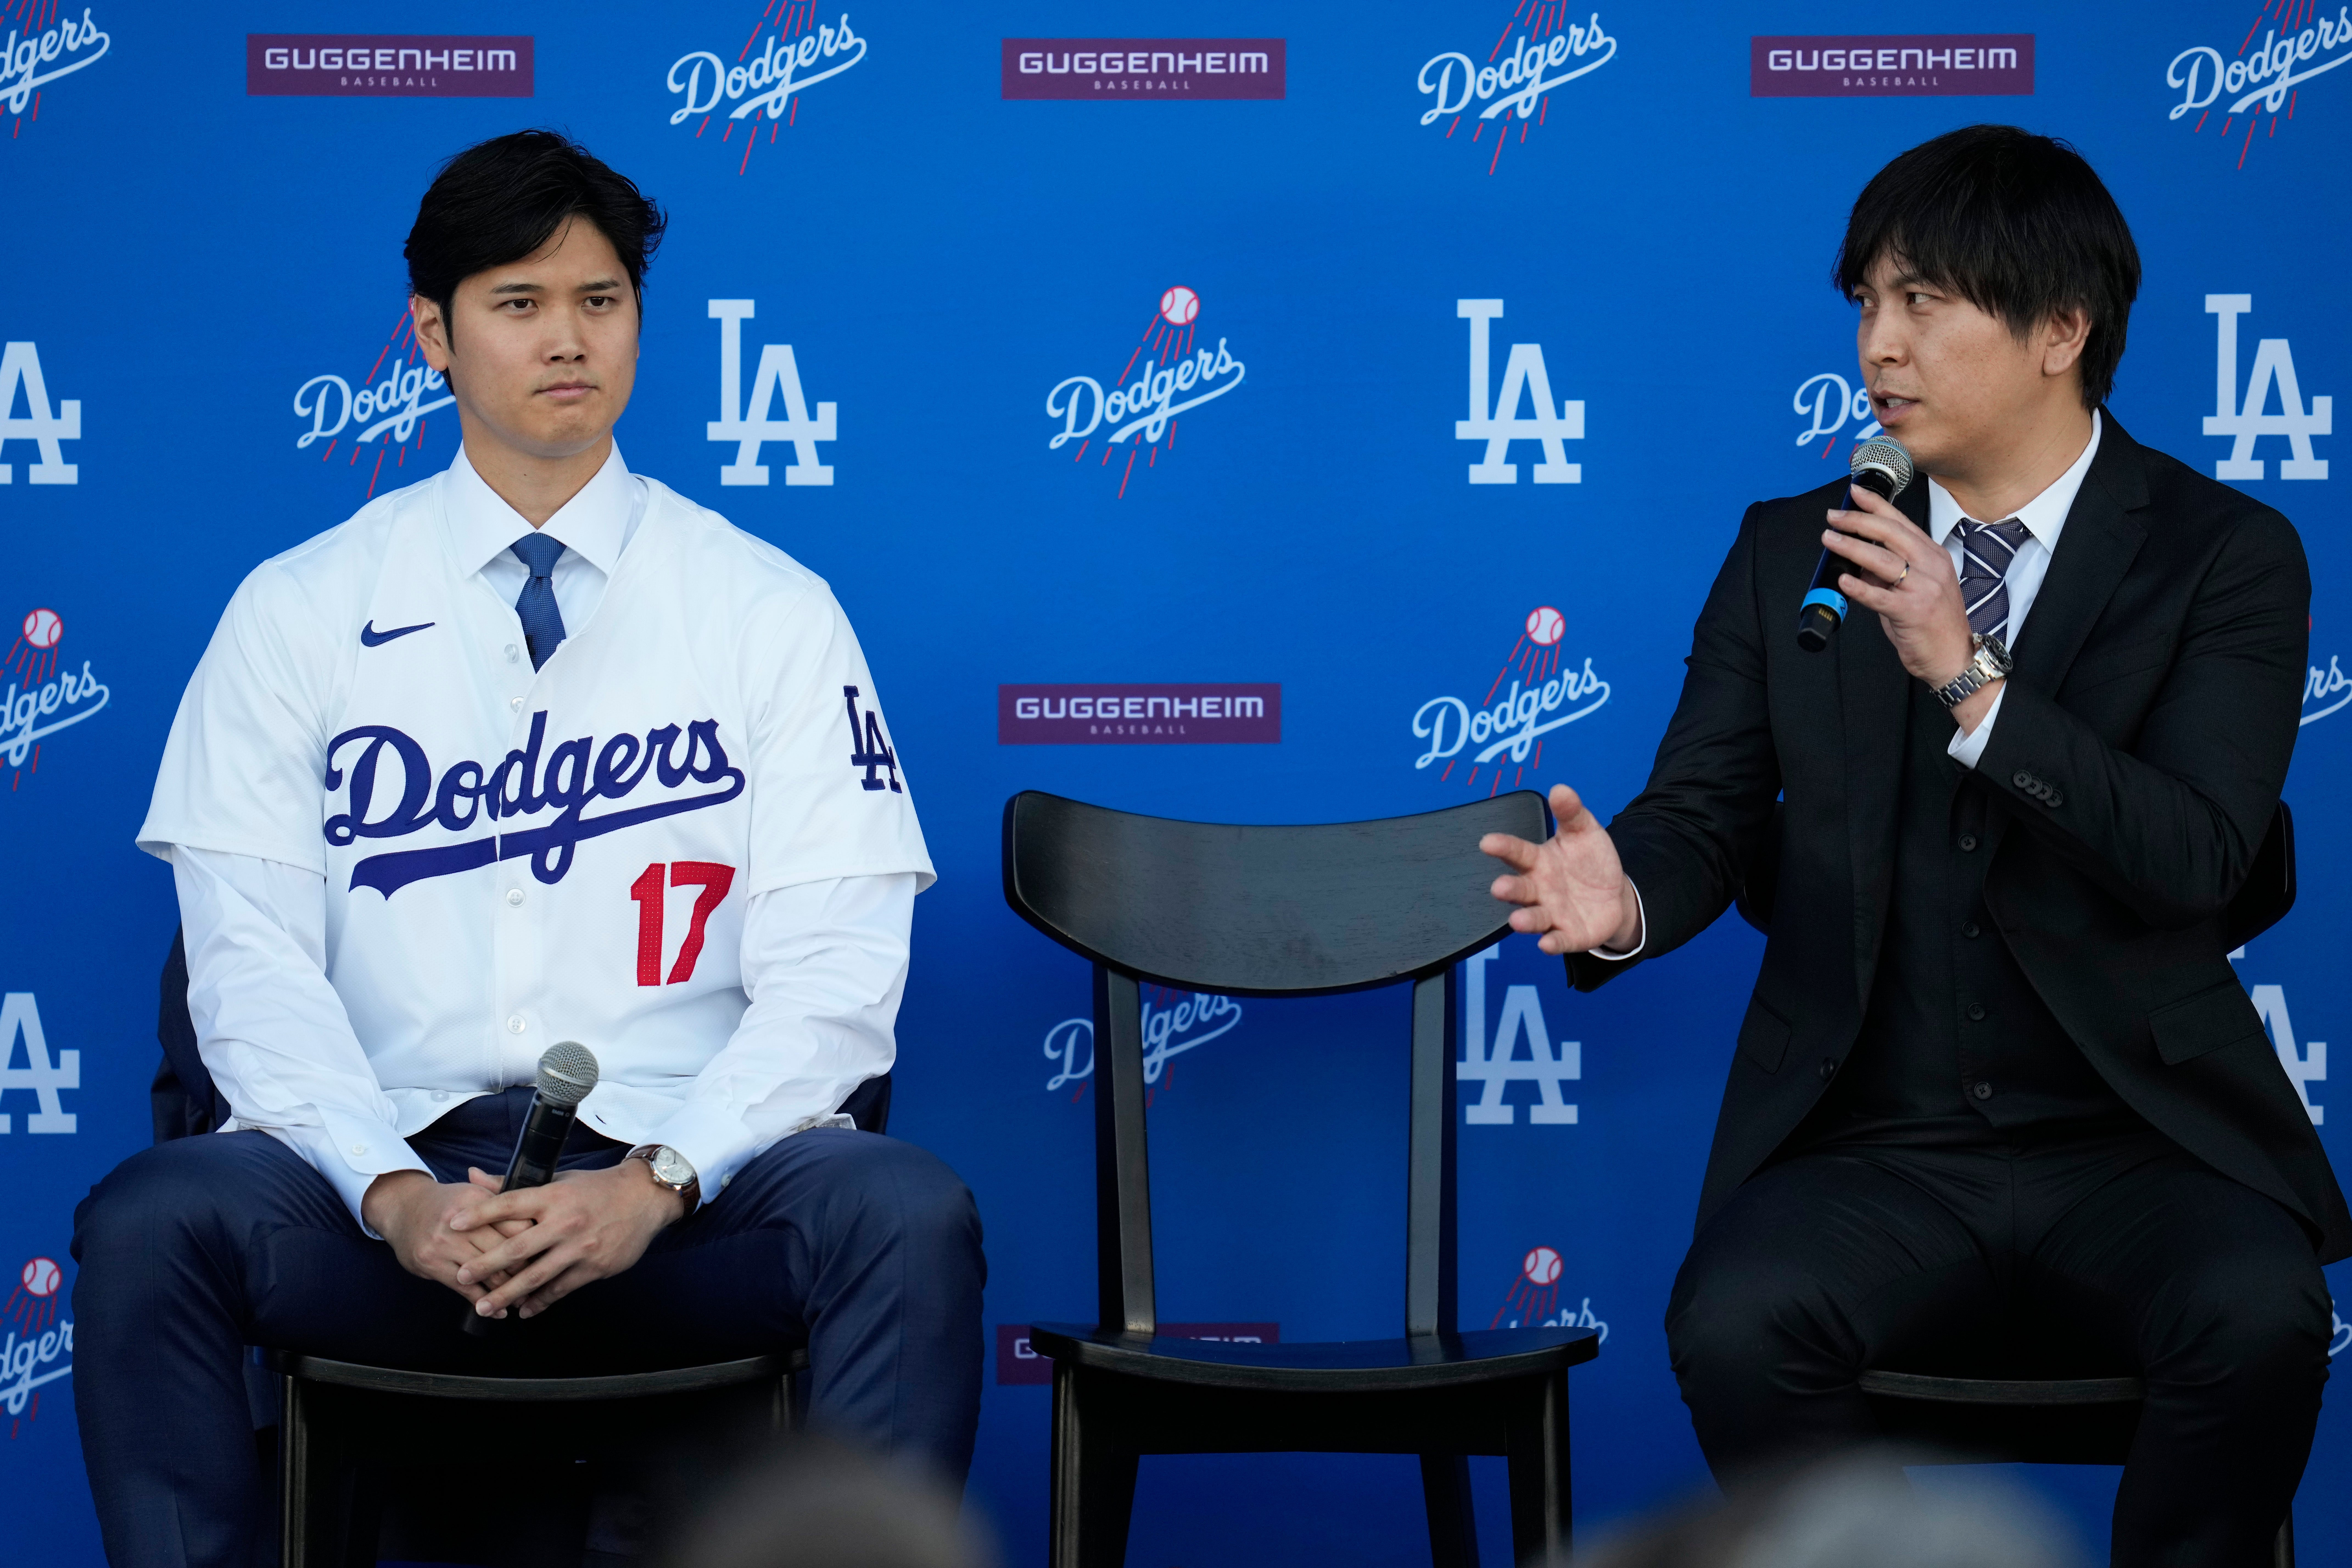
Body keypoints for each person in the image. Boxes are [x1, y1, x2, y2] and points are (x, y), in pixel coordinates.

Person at [72, 130, 984, 1567]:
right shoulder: (298, 608)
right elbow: (244, 972)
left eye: (600, 301)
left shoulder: (768, 609)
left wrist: (655, 1182)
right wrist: (395, 1196)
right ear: (432, 332)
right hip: (390, 1193)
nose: (567, 338)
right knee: (151, 1222)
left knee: (903, 1214)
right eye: (518, 302)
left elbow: (835, 983)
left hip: (680, 1203)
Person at [1481, 125, 2345, 1565]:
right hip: (1873, 1146)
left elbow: (2198, 855)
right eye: (1867, 302)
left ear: (2061, 329)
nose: (1879, 346)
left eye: (1924, 302)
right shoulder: (1789, 554)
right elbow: (1701, 810)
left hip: (2144, 1144)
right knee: (1737, 1323)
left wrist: (1971, 681)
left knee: (2260, 1320)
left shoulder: (2224, 554)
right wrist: (1625, 895)